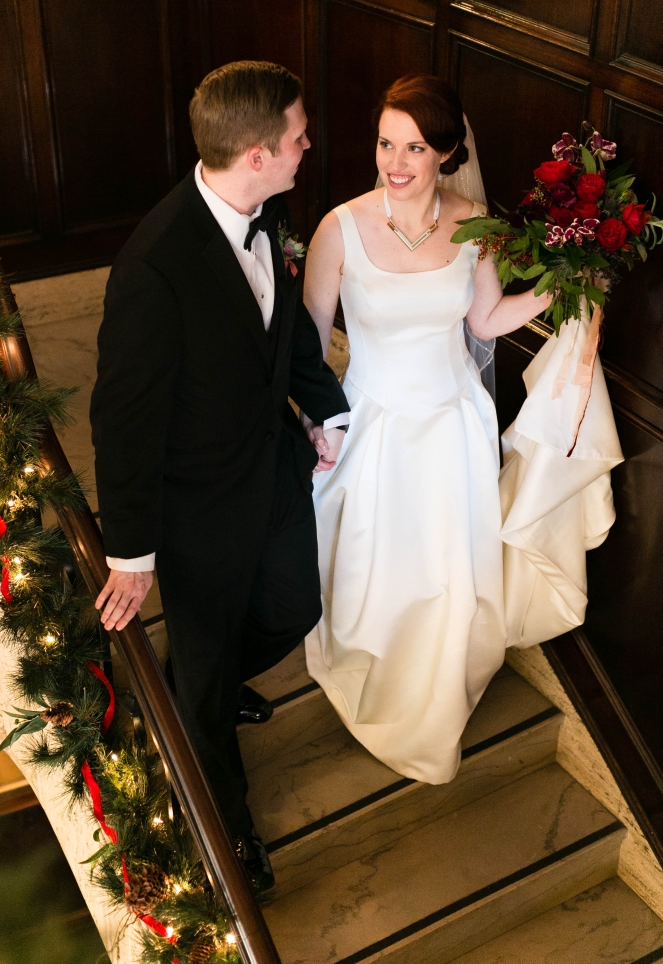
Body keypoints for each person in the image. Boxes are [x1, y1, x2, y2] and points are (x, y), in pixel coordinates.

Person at [90, 61, 350, 890]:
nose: (308, 145)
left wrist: (324, 408)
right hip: (196, 504)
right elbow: (122, 418)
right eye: (298, 137)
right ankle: (230, 837)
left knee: (295, 606)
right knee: (205, 688)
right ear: (256, 154)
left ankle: (187, 688)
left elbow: (282, 332)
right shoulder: (153, 266)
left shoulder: (265, 211)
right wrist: (131, 550)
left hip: (270, 467)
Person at [303, 75, 551, 785]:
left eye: (414, 146)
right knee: (373, 568)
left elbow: (484, 322)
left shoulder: (475, 222)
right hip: (373, 423)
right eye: (386, 143)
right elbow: (310, 343)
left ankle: (437, 693)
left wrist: (566, 284)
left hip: (451, 422)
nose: (395, 161)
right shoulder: (339, 227)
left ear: (446, 152)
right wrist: (317, 422)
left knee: (446, 576)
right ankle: (374, 670)